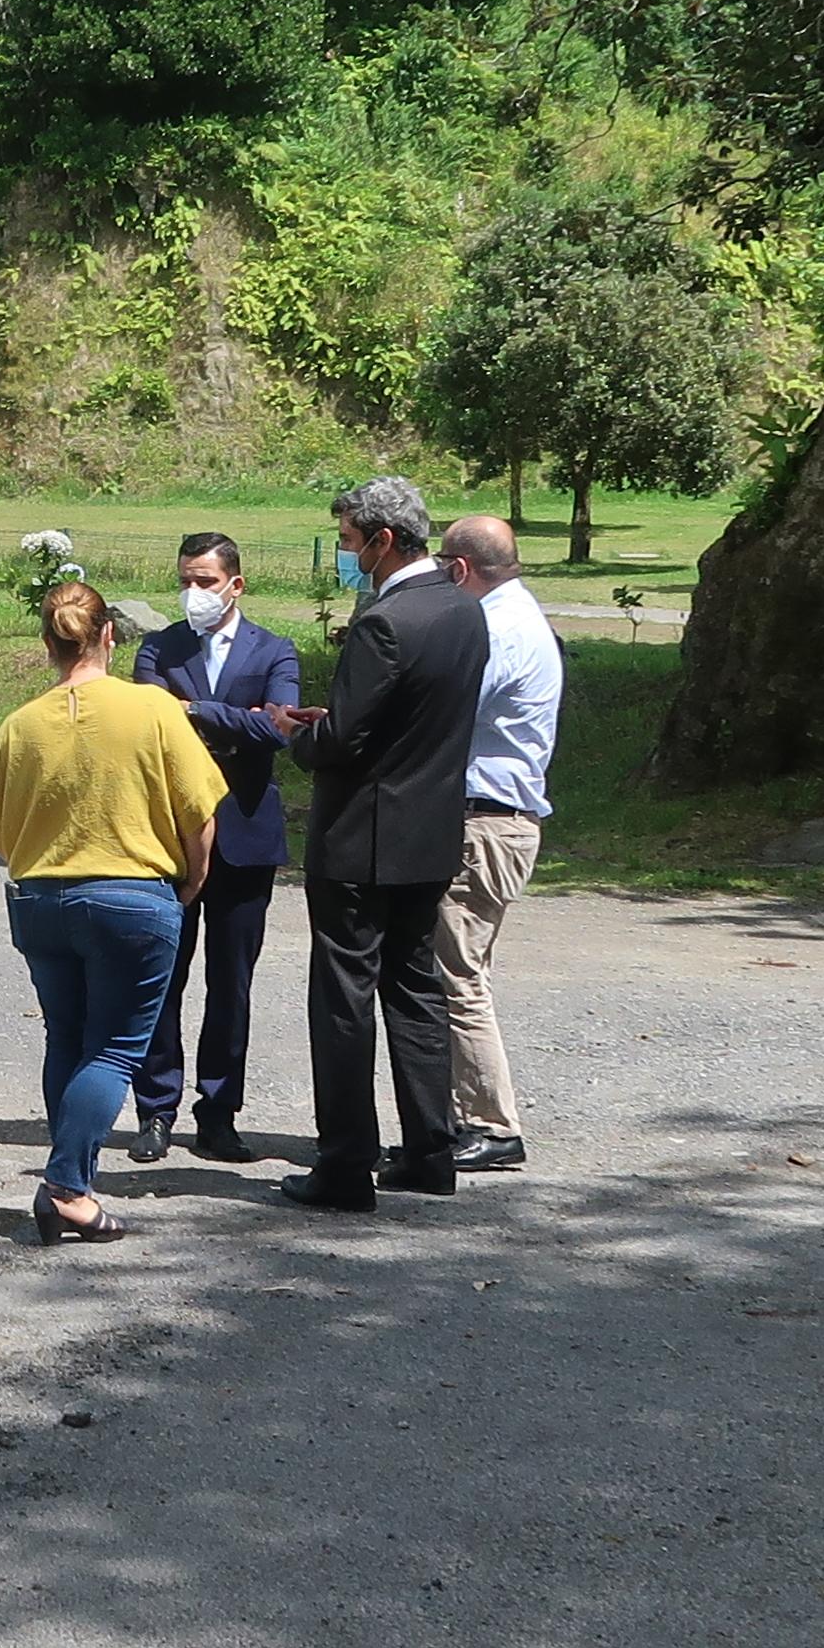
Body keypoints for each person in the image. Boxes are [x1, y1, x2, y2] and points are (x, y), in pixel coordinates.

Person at [0, 576, 226, 1245]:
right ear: (110, 635)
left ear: (46, 643)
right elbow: (200, 812)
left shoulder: (20, 725)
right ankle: (67, 1189)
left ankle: (71, 1177)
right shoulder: (153, 709)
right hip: (132, 897)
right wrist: (192, 880)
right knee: (112, 1051)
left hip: (41, 899)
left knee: (67, 1038)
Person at [284, 473, 488, 1212]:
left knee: (344, 1000)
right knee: (416, 990)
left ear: (384, 539)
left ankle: (344, 1164)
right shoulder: (465, 610)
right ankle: (431, 1152)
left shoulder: (385, 622)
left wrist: (298, 737)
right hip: (428, 834)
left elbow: (344, 739)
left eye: (349, 541)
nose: (348, 554)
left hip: (360, 839)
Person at [128, 529, 303, 1161]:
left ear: (236, 584)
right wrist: (238, 721)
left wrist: (194, 710)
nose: (192, 592)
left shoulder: (275, 650)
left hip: (245, 836)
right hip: (169, 837)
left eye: (204, 581)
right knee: (161, 980)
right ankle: (155, 1110)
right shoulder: (160, 646)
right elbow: (149, 723)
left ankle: (219, 1113)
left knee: (232, 985)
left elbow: (279, 729)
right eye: (185, 581)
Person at [434, 512, 561, 1172]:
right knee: (456, 971)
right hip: (493, 820)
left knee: (458, 976)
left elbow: (444, 711)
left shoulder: (500, 630)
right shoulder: (515, 615)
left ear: (459, 569)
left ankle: (491, 1124)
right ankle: (460, 1118)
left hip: (484, 823)